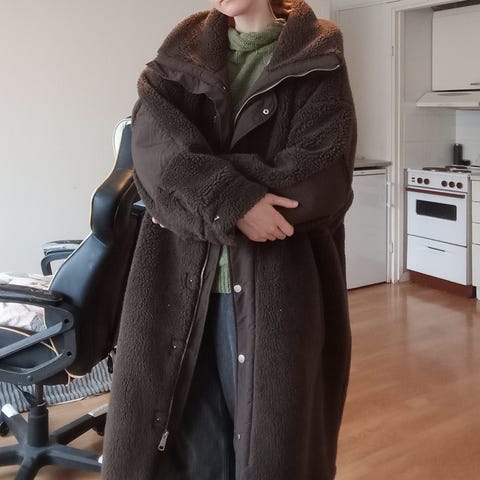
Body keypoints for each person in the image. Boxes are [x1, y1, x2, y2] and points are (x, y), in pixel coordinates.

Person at [102, 0, 356, 478]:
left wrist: (194, 195)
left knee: (270, 449)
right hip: (178, 286)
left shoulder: (317, 55)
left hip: (276, 293)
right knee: (193, 451)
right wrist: (236, 201)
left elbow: (322, 175)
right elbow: (153, 157)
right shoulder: (178, 55)